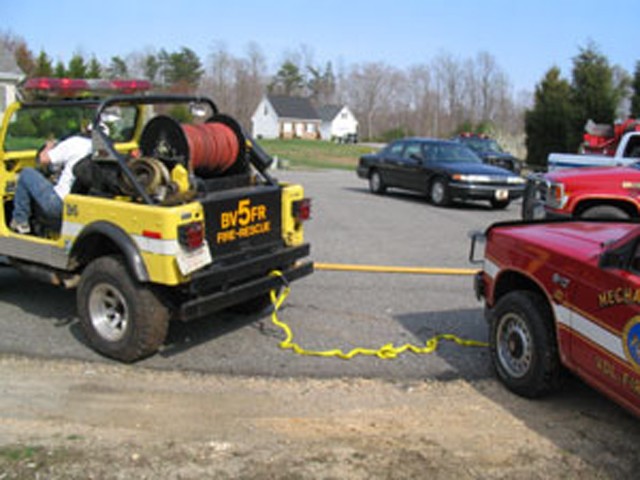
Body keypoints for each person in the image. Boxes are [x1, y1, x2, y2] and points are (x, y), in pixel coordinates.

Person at [10, 133, 93, 234]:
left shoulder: (75, 143)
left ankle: (20, 221)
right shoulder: (104, 151)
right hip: (82, 208)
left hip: (59, 204)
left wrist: (49, 147)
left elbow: (43, 159)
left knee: (26, 173)